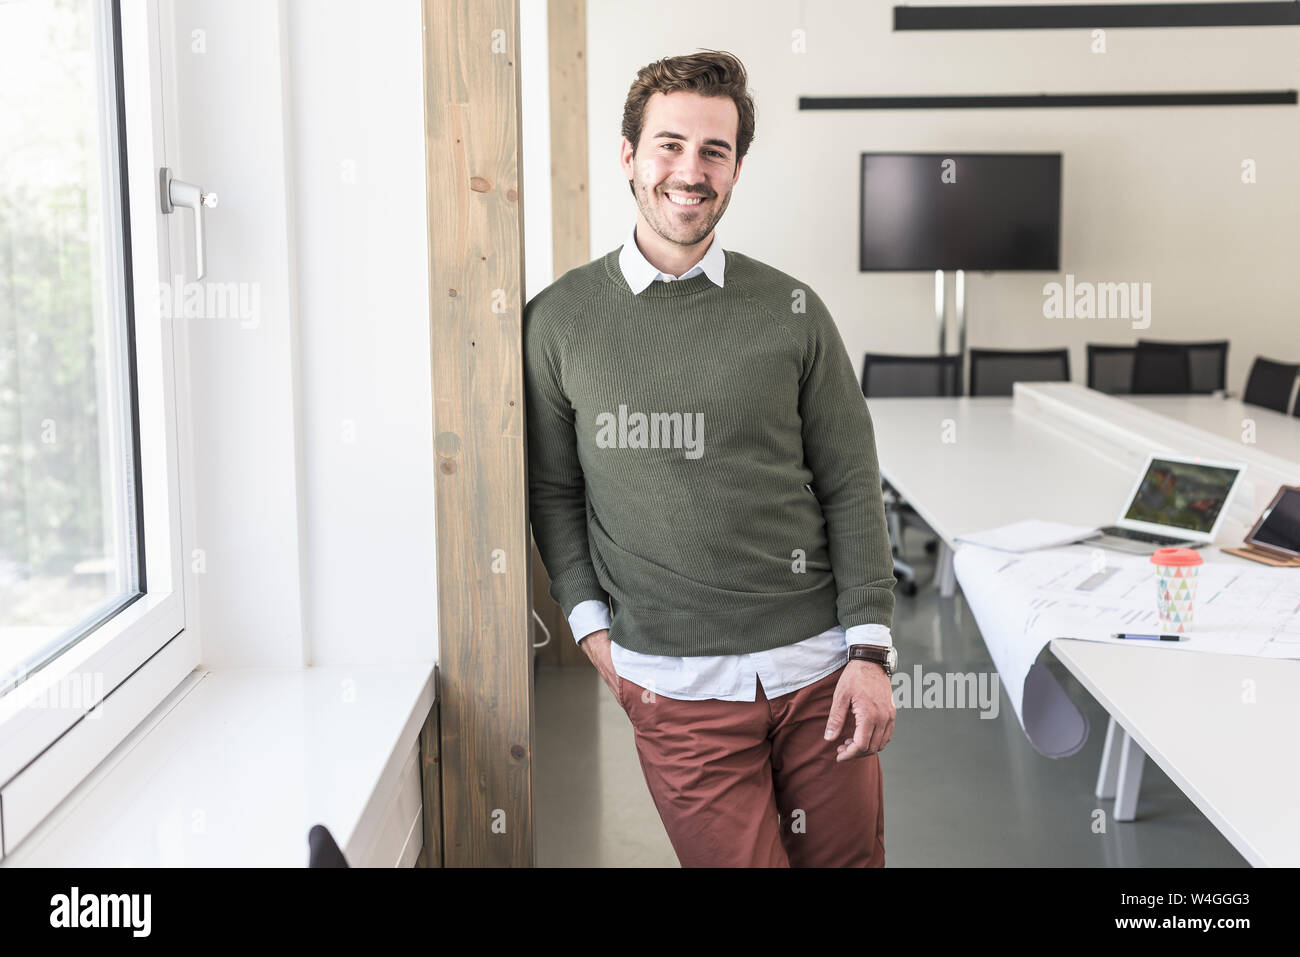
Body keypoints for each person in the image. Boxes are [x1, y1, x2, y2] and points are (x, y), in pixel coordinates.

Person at [524, 49, 898, 867]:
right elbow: (553, 492)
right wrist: (594, 633)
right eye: (669, 144)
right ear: (629, 155)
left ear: (735, 169)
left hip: (821, 675)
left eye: (714, 151)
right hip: (675, 686)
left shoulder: (793, 310)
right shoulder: (557, 322)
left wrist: (869, 653)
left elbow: (849, 478)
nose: (689, 171)